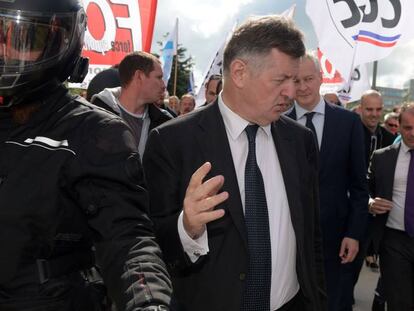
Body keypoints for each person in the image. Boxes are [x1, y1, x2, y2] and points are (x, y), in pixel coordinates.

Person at [143, 15, 327, 311]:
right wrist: (187, 227)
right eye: (281, 80)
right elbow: (147, 247)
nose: (292, 93)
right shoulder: (172, 142)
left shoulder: (300, 141)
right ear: (239, 73)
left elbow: (311, 236)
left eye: (295, 80)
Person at [0, 1, 172, 310]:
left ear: (61, 43)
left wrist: (149, 303)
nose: (6, 51)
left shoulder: (94, 131)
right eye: (1, 35)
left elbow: (127, 239)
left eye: (25, 39)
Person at [289, 52, 368, 311]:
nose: (303, 87)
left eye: (308, 79)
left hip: (336, 238)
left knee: (334, 302)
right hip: (290, 236)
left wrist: (353, 234)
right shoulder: (277, 121)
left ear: (321, 78)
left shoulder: (349, 123)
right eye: (296, 80)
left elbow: (358, 186)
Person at [368, 102, 414, 311]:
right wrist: (370, 203)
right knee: (399, 301)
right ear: (398, 125)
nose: (413, 133)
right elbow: (365, 191)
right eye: (408, 128)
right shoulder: (382, 157)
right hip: (394, 240)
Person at [91, 51, 172, 157]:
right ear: (139, 76)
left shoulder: (164, 122)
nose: (163, 85)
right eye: (159, 77)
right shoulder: (94, 116)